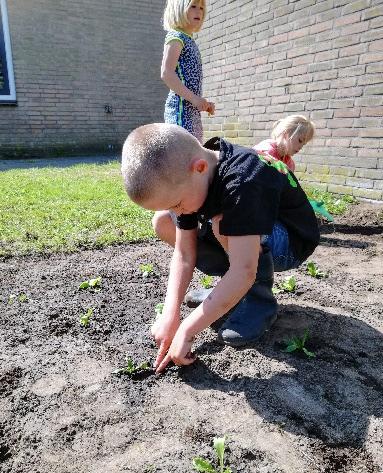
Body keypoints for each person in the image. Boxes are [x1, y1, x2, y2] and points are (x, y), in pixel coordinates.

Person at [121, 123, 320, 374]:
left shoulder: (244, 179)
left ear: (200, 168)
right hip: (248, 234)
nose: (179, 212)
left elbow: (244, 269)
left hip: (290, 240)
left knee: (222, 223)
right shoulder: (194, 179)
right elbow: (184, 254)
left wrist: (188, 330)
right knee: (163, 220)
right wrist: (171, 315)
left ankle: (259, 303)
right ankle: (229, 293)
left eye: (178, 204)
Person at [161, 0, 215, 143]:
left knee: (194, 155)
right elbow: (167, 73)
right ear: (179, 9)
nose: (199, 11)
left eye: (202, 8)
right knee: (182, 155)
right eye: (193, 6)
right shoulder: (176, 37)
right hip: (180, 111)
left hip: (192, 112)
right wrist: (194, 99)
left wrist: (203, 103)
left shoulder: (190, 40)